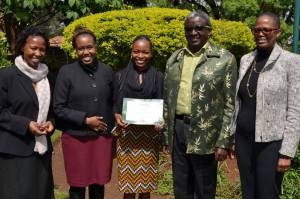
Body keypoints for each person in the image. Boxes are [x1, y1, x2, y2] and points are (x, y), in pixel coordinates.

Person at [163, 11, 237, 199]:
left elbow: (231, 104)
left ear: (209, 31)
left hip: (207, 133)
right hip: (178, 129)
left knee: (204, 188)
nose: (193, 32)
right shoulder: (175, 59)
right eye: (189, 29)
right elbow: (167, 99)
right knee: (181, 186)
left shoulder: (224, 59)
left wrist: (224, 141)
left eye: (199, 28)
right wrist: (167, 134)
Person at [230, 12, 300, 199]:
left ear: (277, 32)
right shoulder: (246, 59)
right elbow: (240, 101)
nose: (261, 33)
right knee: (248, 192)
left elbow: (295, 109)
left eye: (267, 30)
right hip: (244, 139)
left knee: (268, 193)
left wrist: (287, 152)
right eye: (257, 29)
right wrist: (233, 137)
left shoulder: (291, 62)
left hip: (271, 144)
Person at [53, 28, 114, 199]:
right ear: (76, 50)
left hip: (101, 137)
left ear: (96, 47)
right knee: (77, 185)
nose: (86, 52)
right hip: (75, 137)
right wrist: (85, 120)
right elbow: (58, 107)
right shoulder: (66, 73)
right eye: (81, 48)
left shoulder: (107, 71)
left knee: (98, 184)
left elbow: (114, 101)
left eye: (89, 47)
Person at [0, 27, 55, 199]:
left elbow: (53, 111)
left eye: (42, 49)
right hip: (14, 150)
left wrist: (52, 123)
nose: (37, 53)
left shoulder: (48, 78)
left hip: (41, 151)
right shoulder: (6, 76)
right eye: (33, 48)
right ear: (22, 47)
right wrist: (26, 124)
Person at [113, 35, 164, 199]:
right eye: (136, 51)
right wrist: (116, 115)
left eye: (145, 52)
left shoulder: (158, 77)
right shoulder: (120, 76)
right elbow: (114, 104)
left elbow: (162, 103)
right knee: (128, 187)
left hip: (149, 138)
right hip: (127, 137)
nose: (140, 56)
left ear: (151, 54)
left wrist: (161, 120)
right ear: (131, 53)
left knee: (145, 185)